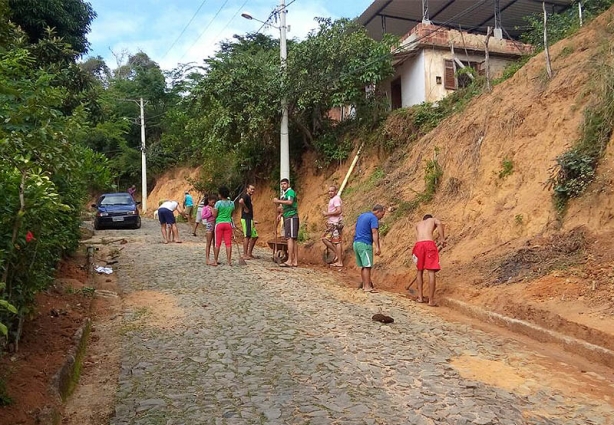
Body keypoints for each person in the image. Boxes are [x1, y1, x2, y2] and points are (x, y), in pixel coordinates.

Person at [412, 214, 446, 307]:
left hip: (418, 245)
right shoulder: (433, 220)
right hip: (429, 244)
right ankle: (431, 300)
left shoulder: (417, 224)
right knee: (431, 272)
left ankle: (420, 297)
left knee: (419, 271)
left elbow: (417, 236)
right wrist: (442, 239)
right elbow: (440, 224)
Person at [353, 204, 385, 293]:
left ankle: (364, 285)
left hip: (356, 243)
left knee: (364, 266)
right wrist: (377, 247)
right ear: (378, 212)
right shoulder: (373, 218)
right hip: (365, 244)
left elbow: (355, 227)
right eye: (382, 214)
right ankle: (367, 287)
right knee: (367, 266)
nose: (381, 217)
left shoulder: (362, 215)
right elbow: (374, 232)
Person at [273, 178, 299, 268]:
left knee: (290, 238)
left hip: (291, 217)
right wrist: (281, 214)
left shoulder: (290, 192)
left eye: (284, 184)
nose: (283, 186)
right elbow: (287, 206)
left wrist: (278, 201)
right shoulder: (285, 193)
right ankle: (294, 261)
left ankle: (290, 260)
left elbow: (290, 202)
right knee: (293, 239)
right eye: (281, 184)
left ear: (288, 184)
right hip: (289, 216)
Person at [321, 185, 344, 267]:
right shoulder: (333, 199)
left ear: (335, 192)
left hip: (336, 224)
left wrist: (327, 214)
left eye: (332, 191)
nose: (330, 193)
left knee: (337, 241)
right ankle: (338, 254)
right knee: (325, 239)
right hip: (332, 223)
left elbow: (339, 211)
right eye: (329, 191)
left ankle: (340, 261)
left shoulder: (336, 199)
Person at [212, 187, 235, 266]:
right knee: (228, 243)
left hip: (219, 223)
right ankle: (229, 261)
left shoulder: (218, 203)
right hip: (228, 224)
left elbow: (214, 215)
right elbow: (232, 214)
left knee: (217, 243)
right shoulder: (232, 203)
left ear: (220, 194)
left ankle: (215, 261)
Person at [239, 184, 259, 259]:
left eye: (253, 189)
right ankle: (245, 254)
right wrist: (246, 208)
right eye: (251, 189)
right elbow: (241, 201)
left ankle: (249, 253)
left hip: (249, 219)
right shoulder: (246, 196)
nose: (252, 191)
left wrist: (252, 220)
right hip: (246, 218)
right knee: (247, 236)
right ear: (247, 189)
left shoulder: (249, 197)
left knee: (255, 236)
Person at [202, 195, 217, 265]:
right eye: (212, 202)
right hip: (209, 224)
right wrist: (210, 213)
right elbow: (203, 216)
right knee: (208, 243)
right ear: (209, 201)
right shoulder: (205, 208)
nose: (213, 204)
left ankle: (215, 259)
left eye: (214, 202)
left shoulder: (215, 207)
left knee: (215, 243)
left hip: (215, 224)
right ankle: (207, 259)